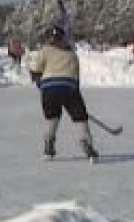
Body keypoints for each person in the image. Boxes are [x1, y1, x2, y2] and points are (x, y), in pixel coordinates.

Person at [28, 25, 98, 161]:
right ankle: (87, 145)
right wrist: (75, 97)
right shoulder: (72, 54)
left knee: (52, 118)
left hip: (49, 89)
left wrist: (39, 81)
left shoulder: (45, 50)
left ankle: (48, 148)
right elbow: (76, 77)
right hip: (69, 88)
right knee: (80, 118)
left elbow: (35, 69)